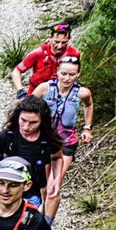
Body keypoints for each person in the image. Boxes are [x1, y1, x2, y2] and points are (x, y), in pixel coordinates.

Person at [31, 55, 94, 221]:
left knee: (54, 185)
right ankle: (42, 212)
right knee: (44, 187)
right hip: (43, 142)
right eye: (64, 73)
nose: (67, 78)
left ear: (78, 74)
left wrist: (87, 128)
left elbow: (89, 104)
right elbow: (26, 107)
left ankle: (45, 227)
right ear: (57, 72)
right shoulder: (44, 89)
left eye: (72, 74)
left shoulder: (82, 93)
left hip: (66, 144)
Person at [0, 97, 64, 211]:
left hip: (32, 195)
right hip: (3, 191)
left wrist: (56, 181)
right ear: (18, 117)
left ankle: (45, 226)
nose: (26, 127)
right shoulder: (3, 137)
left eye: (33, 123)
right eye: (23, 120)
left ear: (42, 121)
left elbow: (57, 158)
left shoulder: (48, 140)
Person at [11, 23, 81, 97]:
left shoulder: (74, 54)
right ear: (50, 38)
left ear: (69, 39)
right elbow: (17, 71)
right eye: (56, 42)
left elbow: (75, 74)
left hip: (61, 97)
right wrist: (21, 92)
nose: (60, 46)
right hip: (36, 96)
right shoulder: (38, 53)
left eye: (64, 42)